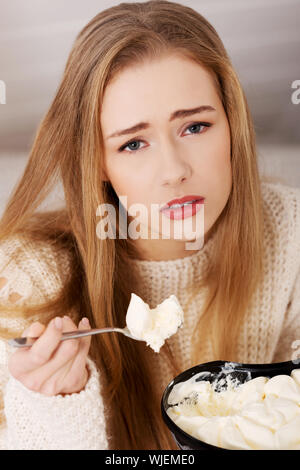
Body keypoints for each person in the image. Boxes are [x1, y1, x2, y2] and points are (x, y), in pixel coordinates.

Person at [0, 0, 299, 450]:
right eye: (134, 143)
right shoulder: (26, 277)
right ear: (97, 162)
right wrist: (53, 407)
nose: (174, 170)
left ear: (233, 125)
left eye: (195, 127)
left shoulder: (290, 231)